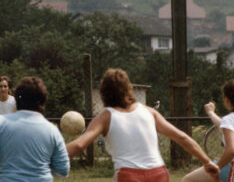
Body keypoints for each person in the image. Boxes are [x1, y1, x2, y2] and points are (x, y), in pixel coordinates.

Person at [66, 68, 219, 182]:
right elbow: (181, 137)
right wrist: (206, 161)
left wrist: (50, 156)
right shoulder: (149, 112)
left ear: (103, 92)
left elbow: (80, 145)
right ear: (128, 89)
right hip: (159, 173)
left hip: (128, 174)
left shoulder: (105, 117)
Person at [0, 76, 70, 182]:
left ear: (16, 99)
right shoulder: (52, 130)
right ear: (43, 102)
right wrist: (38, 166)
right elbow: (62, 171)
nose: (3, 89)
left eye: (5, 86)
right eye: (1, 86)